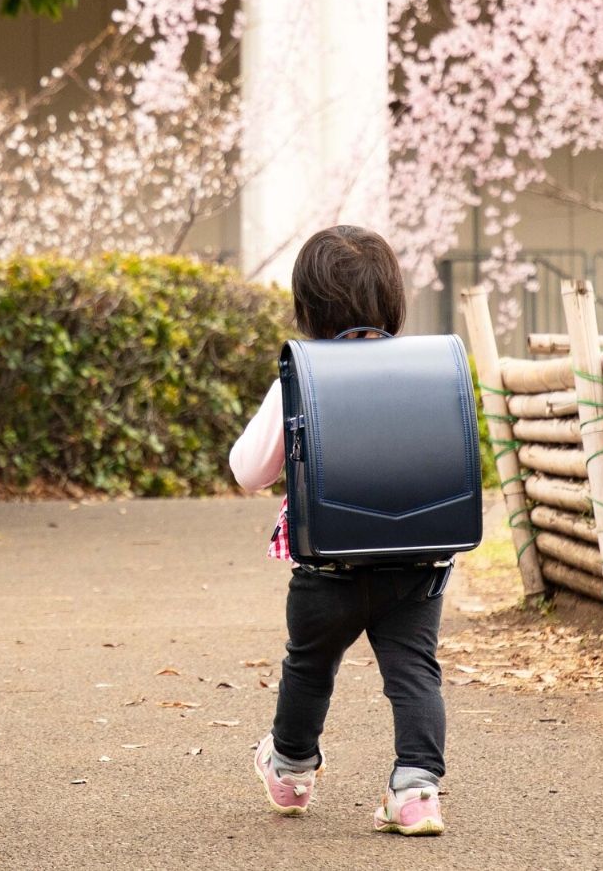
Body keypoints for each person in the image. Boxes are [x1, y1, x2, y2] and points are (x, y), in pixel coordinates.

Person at [228, 225, 448, 836]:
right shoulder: (431, 370)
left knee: (309, 665)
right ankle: (416, 790)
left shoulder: (300, 376)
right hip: (415, 564)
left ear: (307, 307)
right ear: (394, 301)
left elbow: (249, 471)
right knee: (414, 672)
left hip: (327, 569)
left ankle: (292, 772)